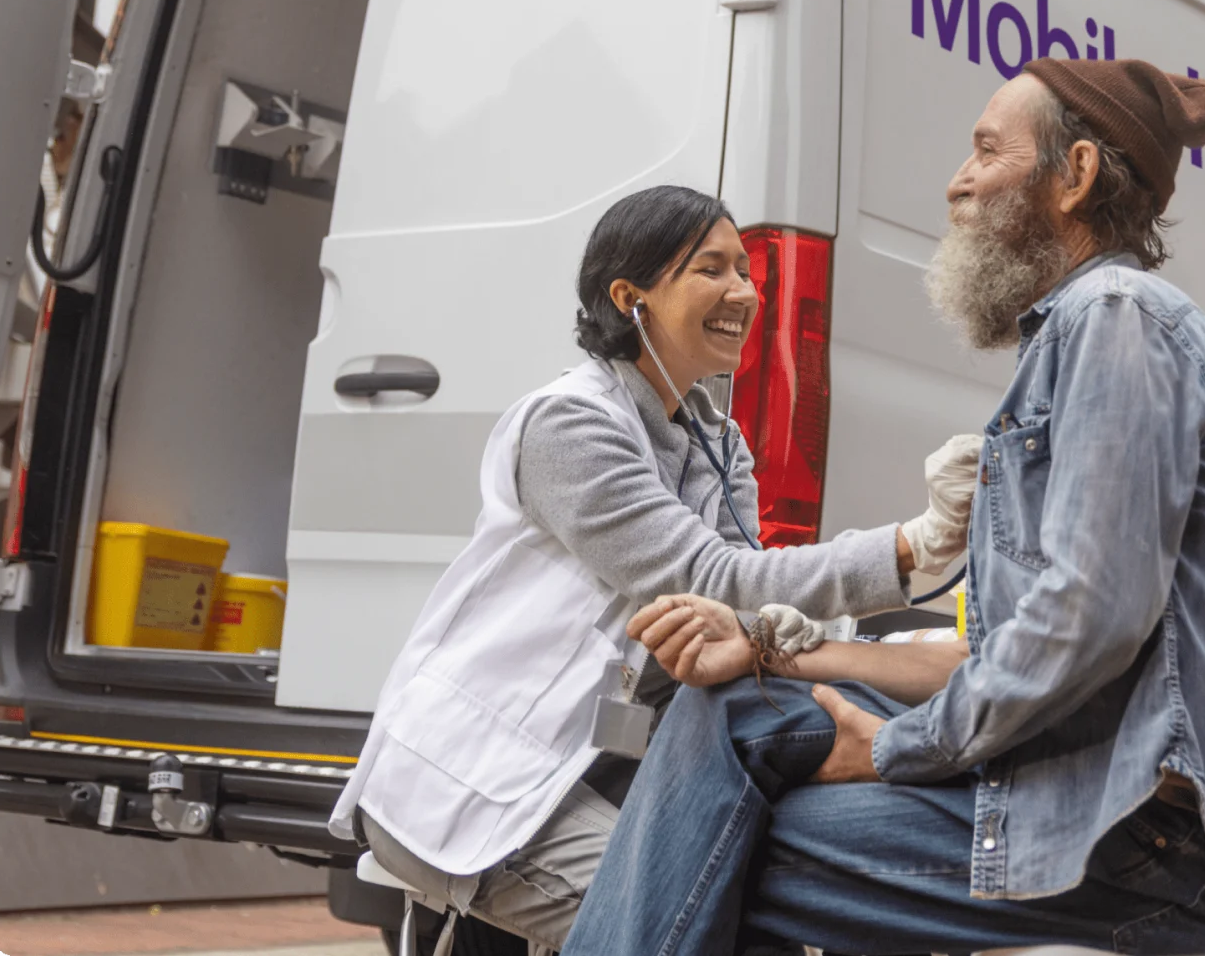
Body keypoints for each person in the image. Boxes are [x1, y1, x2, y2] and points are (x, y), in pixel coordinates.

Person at [559, 60, 1205, 956]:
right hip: (1111, 822)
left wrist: (894, 746)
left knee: (695, 848)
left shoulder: (1116, 318)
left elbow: (1090, 618)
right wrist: (773, 647)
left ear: (1073, 176)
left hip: (1156, 851)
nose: (957, 181)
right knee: (731, 707)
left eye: (986, 150)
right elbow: (1014, 650)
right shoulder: (1083, 334)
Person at [326, 185, 981, 952]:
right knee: (710, 933)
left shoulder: (715, 439)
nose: (744, 289)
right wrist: (918, 544)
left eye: (745, 268)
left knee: (763, 909)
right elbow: (710, 577)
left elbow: (743, 598)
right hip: (477, 784)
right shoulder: (570, 423)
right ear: (630, 296)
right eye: (712, 269)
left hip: (594, 778)